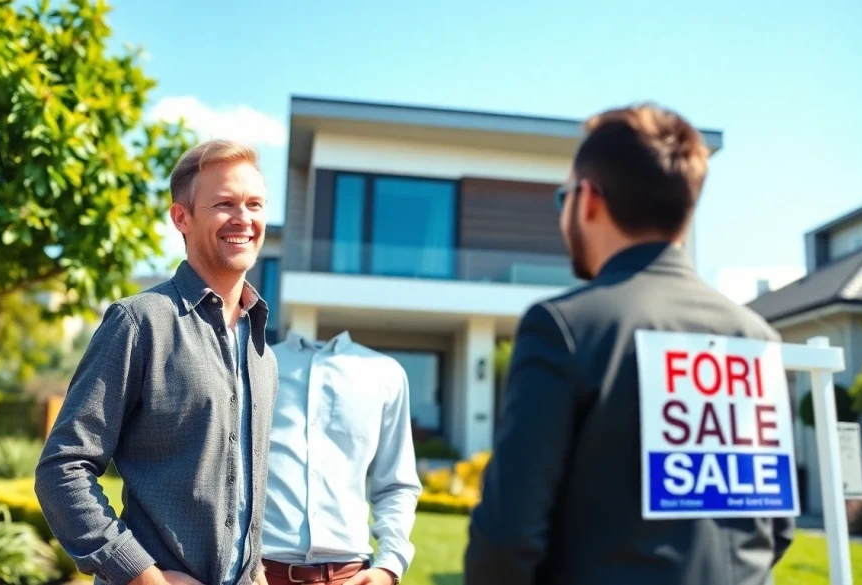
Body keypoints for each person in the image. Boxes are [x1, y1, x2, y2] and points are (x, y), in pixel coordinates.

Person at [463, 104, 794, 585]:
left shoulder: (562, 327)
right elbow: (774, 528)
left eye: (563, 198)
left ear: (589, 199)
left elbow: (507, 540)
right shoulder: (757, 339)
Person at [35, 140, 279, 585]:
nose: (244, 218)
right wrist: (143, 577)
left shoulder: (262, 351)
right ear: (181, 217)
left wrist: (255, 570)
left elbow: (243, 495)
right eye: (224, 203)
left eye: (255, 203)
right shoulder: (139, 322)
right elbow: (62, 469)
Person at [259, 331, 422, 585]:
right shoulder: (254, 362)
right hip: (263, 575)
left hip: (352, 576)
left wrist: (389, 566)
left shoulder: (386, 374)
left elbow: (396, 484)